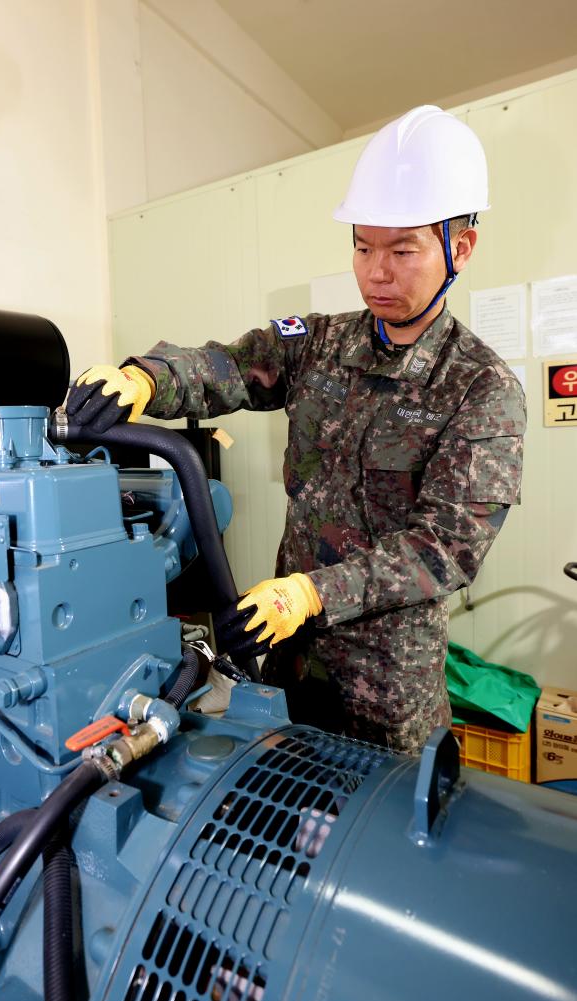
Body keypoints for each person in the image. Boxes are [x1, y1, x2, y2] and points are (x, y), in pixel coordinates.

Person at [67, 105, 525, 754]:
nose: (376, 270)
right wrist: (145, 378)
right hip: (289, 667)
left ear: (461, 247)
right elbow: (226, 364)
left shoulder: (481, 387)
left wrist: (313, 593)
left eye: (403, 249)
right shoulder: (317, 341)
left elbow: (444, 548)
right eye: (363, 246)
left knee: (372, 846)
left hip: (386, 695)